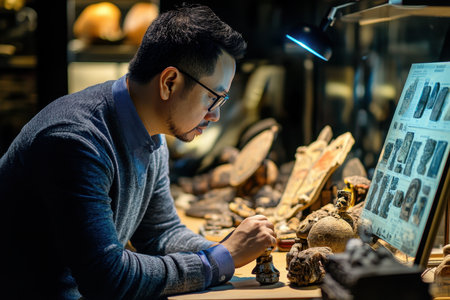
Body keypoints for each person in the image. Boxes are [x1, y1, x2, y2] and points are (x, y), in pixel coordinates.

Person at [0, 4, 277, 300]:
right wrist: (220, 260)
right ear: (169, 82)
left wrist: (228, 247)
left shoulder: (151, 131)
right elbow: (108, 278)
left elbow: (161, 235)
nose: (215, 115)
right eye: (212, 97)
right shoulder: (75, 141)